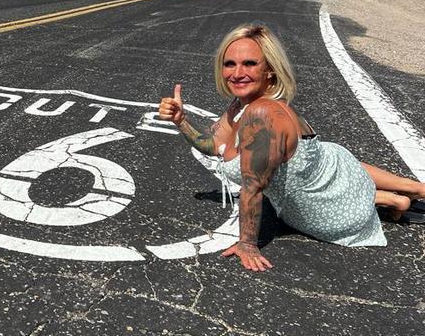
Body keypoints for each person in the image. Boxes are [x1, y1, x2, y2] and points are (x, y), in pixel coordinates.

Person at [157, 23, 425, 271]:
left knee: (332, 167)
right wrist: (181, 121)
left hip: (329, 209)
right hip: (332, 175)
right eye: (230, 64)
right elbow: (214, 145)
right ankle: (408, 191)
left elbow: (253, 186)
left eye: (250, 64)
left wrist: (247, 243)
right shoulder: (240, 107)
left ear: (269, 70)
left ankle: (397, 197)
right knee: (332, 157)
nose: (237, 73)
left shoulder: (262, 113)